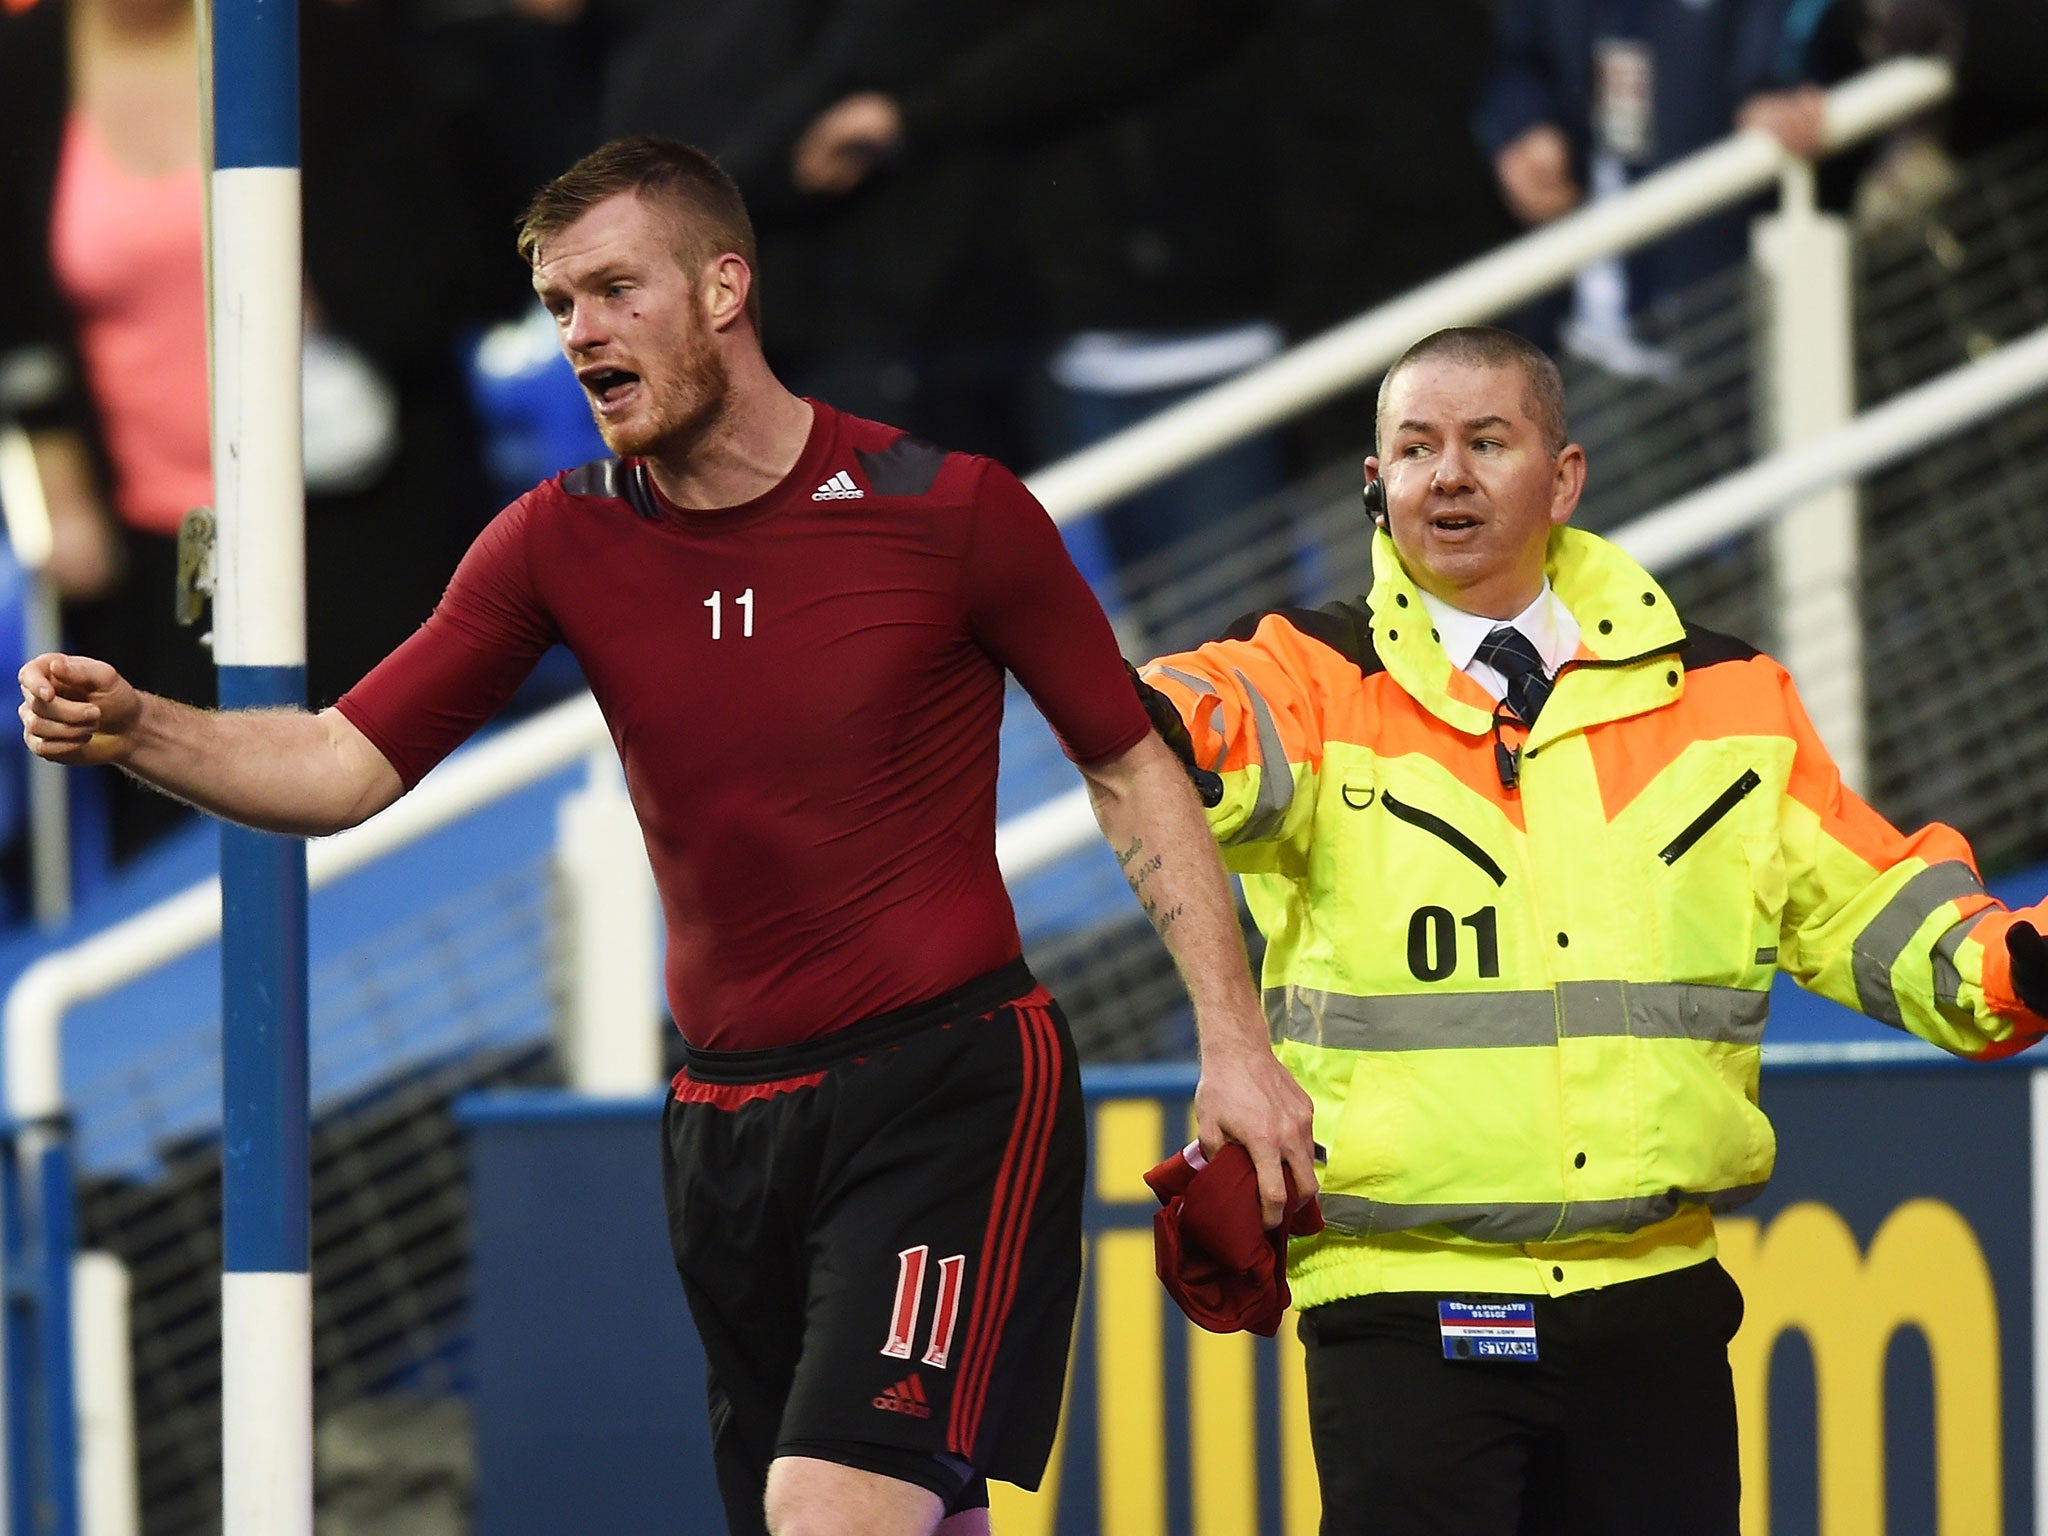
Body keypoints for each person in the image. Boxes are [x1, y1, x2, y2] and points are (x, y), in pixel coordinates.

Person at [17, 137, 1315, 1536]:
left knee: (831, 1506)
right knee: (884, 1513)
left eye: (613, 291)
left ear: (722, 290)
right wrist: (138, 726)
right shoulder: (553, 543)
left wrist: (1233, 1047)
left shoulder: (952, 512)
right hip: (723, 1121)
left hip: (947, 1088)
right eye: (557, 303)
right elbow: (341, 762)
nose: (578, 333)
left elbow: (1130, 763)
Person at [1134, 324, 2048, 1534]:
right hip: (1407, 1304)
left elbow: (1883, 918)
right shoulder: (1309, 680)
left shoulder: (1729, 700)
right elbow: (1170, 737)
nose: (1444, 474)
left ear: (1562, 477)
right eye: (1411, 449)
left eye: (1484, 441)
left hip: (1652, 1306)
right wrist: (1133, 711)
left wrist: (2018, 962)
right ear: (1374, 483)